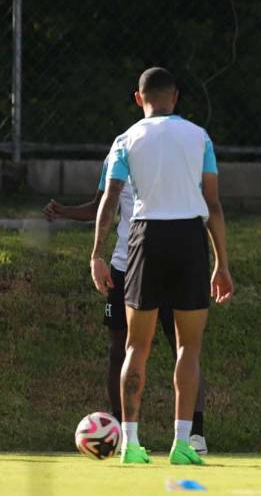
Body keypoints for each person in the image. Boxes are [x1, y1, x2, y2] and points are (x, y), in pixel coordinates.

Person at [91, 67, 234, 465]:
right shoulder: (198, 136)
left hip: (144, 239)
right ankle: (182, 443)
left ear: (139, 99)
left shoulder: (126, 139)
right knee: (188, 347)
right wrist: (222, 262)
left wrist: (96, 254)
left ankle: (130, 444)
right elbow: (214, 205)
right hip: (188, 238)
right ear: (177, 96)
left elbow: (109, 198)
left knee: (135, 346)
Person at [45, 154, 209, 454]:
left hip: (171, 264)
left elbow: (204, 203)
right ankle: (121, 432)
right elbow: (102, 205)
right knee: (119, 350)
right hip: (126, 267)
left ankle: (194, 434)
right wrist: (66, 212)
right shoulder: (120, 152)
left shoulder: (183, 146)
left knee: (183, 347)